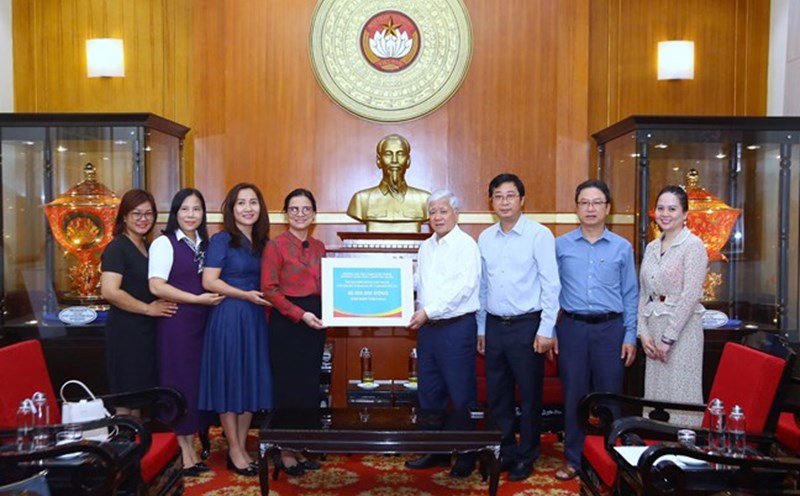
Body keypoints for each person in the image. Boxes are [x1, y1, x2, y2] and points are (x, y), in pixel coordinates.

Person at [477, 173, 561, 482]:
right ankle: (505, 454)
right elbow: (483, 289)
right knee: (498, 397)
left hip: (529, 326)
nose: (504, 201)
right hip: (496, 326)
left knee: (529, 396)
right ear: (491, 202)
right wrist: (482, 330)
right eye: (498, 196)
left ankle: (527, 455)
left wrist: (546, 329)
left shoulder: (539, 235)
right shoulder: (485, 238)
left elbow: (552, 285)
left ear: (522, 200)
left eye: (510, 195)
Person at [553, 179, 638, 481]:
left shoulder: (622, 247)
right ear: (576, 208)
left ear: (608, 208)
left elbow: (631, 294)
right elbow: (550, 292)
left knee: (610, 397)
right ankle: (574, 459)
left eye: (597, 202)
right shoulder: (560, 245)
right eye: (584, 202)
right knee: (574, 396)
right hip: (572, 329)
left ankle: (611, 459)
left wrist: (630, 335)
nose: (590, 208)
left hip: (610, 330)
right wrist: (551, 330)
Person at [404, 189, 481, 478]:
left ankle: (465, 455)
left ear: (456, 213)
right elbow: (416, 283)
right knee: (429, 393)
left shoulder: (466, 246)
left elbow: (463, 289)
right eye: (433, 212)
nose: (437, 216)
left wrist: (427, 311)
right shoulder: (426, 248)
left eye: (443, 210)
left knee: (460, 395)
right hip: (429, 331)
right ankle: (435, 451)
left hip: (456, 328)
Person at [148, 188, 225, 476]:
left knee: (196, 385)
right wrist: (195, 299)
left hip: (204, 324)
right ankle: (184, 452)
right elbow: (156, 286)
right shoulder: (164, 244)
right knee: (177, 383)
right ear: (175, 213)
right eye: (185, 209)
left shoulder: (205, 244)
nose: (191, 215)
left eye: (197, 209)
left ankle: (193, 443)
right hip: (177, 323)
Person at [199, 183, 272, 477]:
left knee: (248, 381)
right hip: (229, 316)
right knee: (231, 382)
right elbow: (209, 282)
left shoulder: (263, 242)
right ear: (231, 208)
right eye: (241, 203)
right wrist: (244, 295)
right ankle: (234, 448)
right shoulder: (222, 241)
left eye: (253, 202)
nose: (247, 208)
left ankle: (240, 446)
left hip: (255, 318)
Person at [262, 188, 327, 476]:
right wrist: (301, 315)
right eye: (294, 209)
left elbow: (329, 284)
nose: (300, 214)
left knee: (308, 385)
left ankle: (300, 445)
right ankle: (285, 451)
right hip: (288, 322)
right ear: (285, 214)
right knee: (288, 386)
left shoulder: (319, 246)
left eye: (306, 209)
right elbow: (269, 290)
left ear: (314, 214)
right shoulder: (275, 246)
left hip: (316, 320)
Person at [100, 189, 177, 416]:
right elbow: (110, 291)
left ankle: (139, 447)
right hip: (126, 331)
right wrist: (148, 309)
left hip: (145, 330)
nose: (143, 219)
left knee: (140, 396)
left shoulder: (146, 245)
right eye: (136, 214)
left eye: (148, 214)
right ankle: (123, 447)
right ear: (124, 216)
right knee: (126, 396)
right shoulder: (117, 247)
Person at [638, 184, 707, 426]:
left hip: (682, 332)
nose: (665, 214)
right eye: (660, 208)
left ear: (685, 214)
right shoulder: (652, 246)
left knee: (680, 395)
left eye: (672, 209)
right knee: (656, 396)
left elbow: (690, 296)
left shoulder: (693, 246)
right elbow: (643, 294)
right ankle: (656, 453)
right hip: (653, 328)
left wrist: (668, 339)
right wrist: (643, 334)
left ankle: (685, 453)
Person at [346, 134, 430, 232]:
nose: (394, 160)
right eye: (388, 154)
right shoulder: (361, 199)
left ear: (408, 161)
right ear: (378, 161)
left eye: (400, 154)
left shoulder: (425, 199)